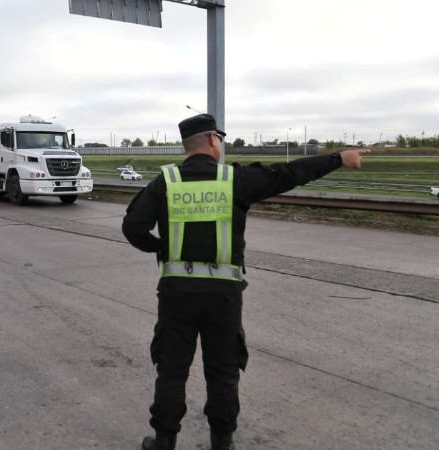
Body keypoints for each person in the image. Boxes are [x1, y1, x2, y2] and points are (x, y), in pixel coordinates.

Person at [122, 113, 370, 450]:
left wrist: (162, 249)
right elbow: (290, 174)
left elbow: (133, 227)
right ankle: (222, 442)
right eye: (220, 139)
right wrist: (338, 159)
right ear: (212, 139)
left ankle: (164, 442)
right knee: (223, 372)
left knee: (172, 370)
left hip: (176, 294)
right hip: (223, 295)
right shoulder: (234, 180)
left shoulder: (166, 182)